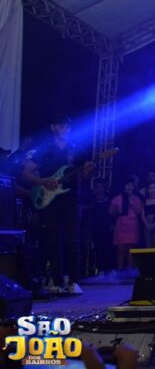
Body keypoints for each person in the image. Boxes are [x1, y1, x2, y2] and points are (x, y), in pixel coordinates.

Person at [21, 114, 94, 293]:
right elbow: (26, 173)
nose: (65, 129)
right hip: (49, 200)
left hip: (71, 199)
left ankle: (73, 280)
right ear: (53, 127)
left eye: (68, 126)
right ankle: (55, 280)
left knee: (73, 240)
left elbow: (85, 176)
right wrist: (43, 181)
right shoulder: (44, 150)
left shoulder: (77, 150)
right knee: (51, 240)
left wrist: (88, 171)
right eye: (61, 126)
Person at [109, 179, 143, 270]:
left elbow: (139, 212)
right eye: (127, 185)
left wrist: (132, 204)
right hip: (121, 225)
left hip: (132, 226)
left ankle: (129, 270)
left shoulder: (136, 199)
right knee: (120, 249)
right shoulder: (117, 198)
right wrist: (117, 212)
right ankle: (120, 270)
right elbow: (111, 213)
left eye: (131, 185)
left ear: (134, 187)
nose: (129, 187)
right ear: (124, 187)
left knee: (130, 249)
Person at [141, 181, 155, 247]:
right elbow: (142, 214)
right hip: (146, 224)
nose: (152, 190)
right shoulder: (144, 201)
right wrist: (147, 225)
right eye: (150, 188)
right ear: (147, 190)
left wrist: (153, 225)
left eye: (154, 188)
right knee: (148, 245)